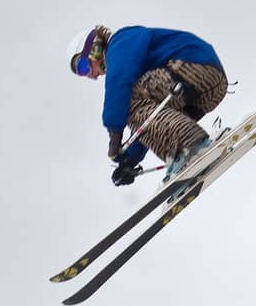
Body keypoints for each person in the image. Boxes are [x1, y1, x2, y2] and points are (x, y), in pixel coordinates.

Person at [68, 25, 229, 186]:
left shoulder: (119, 42)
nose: (91, 75)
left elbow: (119, 85)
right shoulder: (124, 57)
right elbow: (148, 120)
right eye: (84, 74)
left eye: (83, 67)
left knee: (127, 101)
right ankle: (186, 155)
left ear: (93, 48)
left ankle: (190, 147)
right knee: (144, 110)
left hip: (192, 66)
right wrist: (129, 160)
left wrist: (114, 136)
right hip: (208, 89)